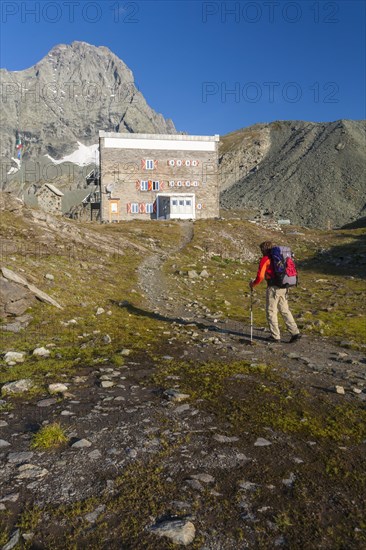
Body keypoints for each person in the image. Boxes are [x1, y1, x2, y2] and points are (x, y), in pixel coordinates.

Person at [249, 241, 301, 343]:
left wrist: (253, 284)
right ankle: (295, 333)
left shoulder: (266, 259)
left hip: (273, 287)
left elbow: (260, 276)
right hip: (284, 286)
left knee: (271, 311)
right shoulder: (281, 257)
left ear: (263, 249)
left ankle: (275, 336)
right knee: (285, 310)